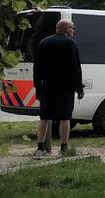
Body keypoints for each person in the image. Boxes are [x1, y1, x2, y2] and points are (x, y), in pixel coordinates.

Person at [33, 19, 84, 158]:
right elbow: (75, 68)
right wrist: (79, 87)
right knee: (65, 118)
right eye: (73, 28)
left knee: (44, 117)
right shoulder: (71, 44)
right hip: (65, 88)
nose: (74, 31)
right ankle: (63, 148)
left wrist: (38, 87)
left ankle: (40, 148)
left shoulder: (44, 42)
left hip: (47, 86)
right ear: (67, 29)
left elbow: (37, 68)